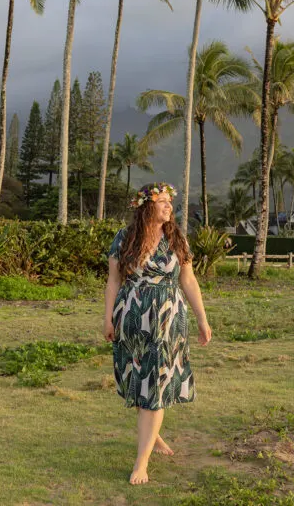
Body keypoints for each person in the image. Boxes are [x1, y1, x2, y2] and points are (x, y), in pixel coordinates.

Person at [103, 181, 212, 485]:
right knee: (138, 380)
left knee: (158, 383)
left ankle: (142, 461)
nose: (168, 206)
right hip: (132, 317)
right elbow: (113, 281)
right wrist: (108, 318)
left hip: (168, 319)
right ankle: (153, 437)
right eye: (162, 201)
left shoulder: (176, 238)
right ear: (146, 206)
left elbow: (189, 281)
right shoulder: (125, 238)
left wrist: (203, 320)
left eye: (169, 201)